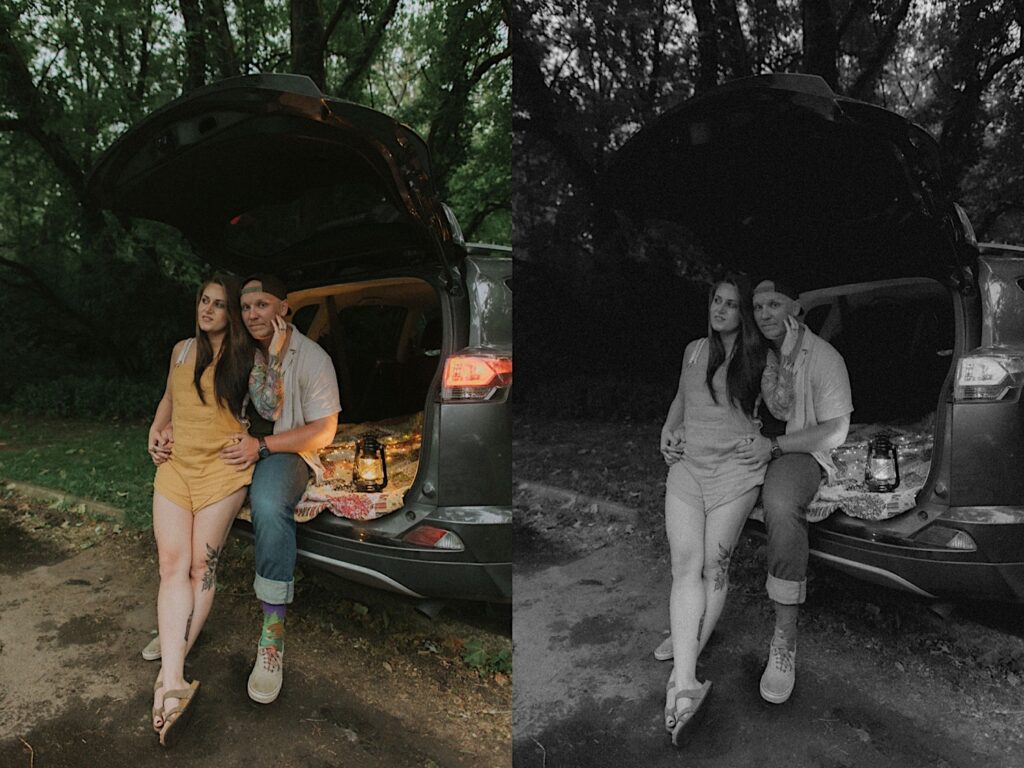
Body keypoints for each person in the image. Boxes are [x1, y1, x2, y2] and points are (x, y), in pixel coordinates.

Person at [147, 274, 286, 746]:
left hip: (221, 473)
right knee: (173, 564)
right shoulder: (181, 350)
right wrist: (156, 430)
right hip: (177, 467)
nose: (207, 310)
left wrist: (278, 346)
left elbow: (268, 405)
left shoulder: (245, 355)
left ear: (232, 315)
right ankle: (173, 678)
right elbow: (170, 398)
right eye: (203, 301)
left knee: (203, 565)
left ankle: (170, 674)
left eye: (218, 304)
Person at [659, 274, 771, 745]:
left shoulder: (761, 356)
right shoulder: (692, 351)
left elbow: (783, 408)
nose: (720, 309)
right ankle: (686, 680)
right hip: (688, 470)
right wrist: (668, 430)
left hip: (735, 476)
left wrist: (768, 442)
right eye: (716, 301)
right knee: (684, 566)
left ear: (743, 313)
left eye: (730, 304)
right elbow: (683, 399)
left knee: (713, 568)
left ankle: (686, 654)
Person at [220, 273, 340, 705]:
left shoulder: (312, 358)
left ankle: (271, 636)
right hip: (239, 445)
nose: (252, 314)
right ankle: (183, 609)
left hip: (286, 450)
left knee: (268, 503)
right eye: (247, 307)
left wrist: (263, 446)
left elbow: (325, 430)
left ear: (284, 308)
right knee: (192, 489)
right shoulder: (239, 352)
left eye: (262, 305)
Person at [735, 277, 852, 705]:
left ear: (796, 307)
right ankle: (694, 611)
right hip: (751, 446)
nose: (765, 313)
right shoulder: (755, 353)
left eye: (774, 304)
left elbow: (837, 430)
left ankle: (784, 639)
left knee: (781, 503)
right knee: (703, 491)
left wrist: (777, 446)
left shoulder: (823, 357)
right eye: (759, 306)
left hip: (798, 450)